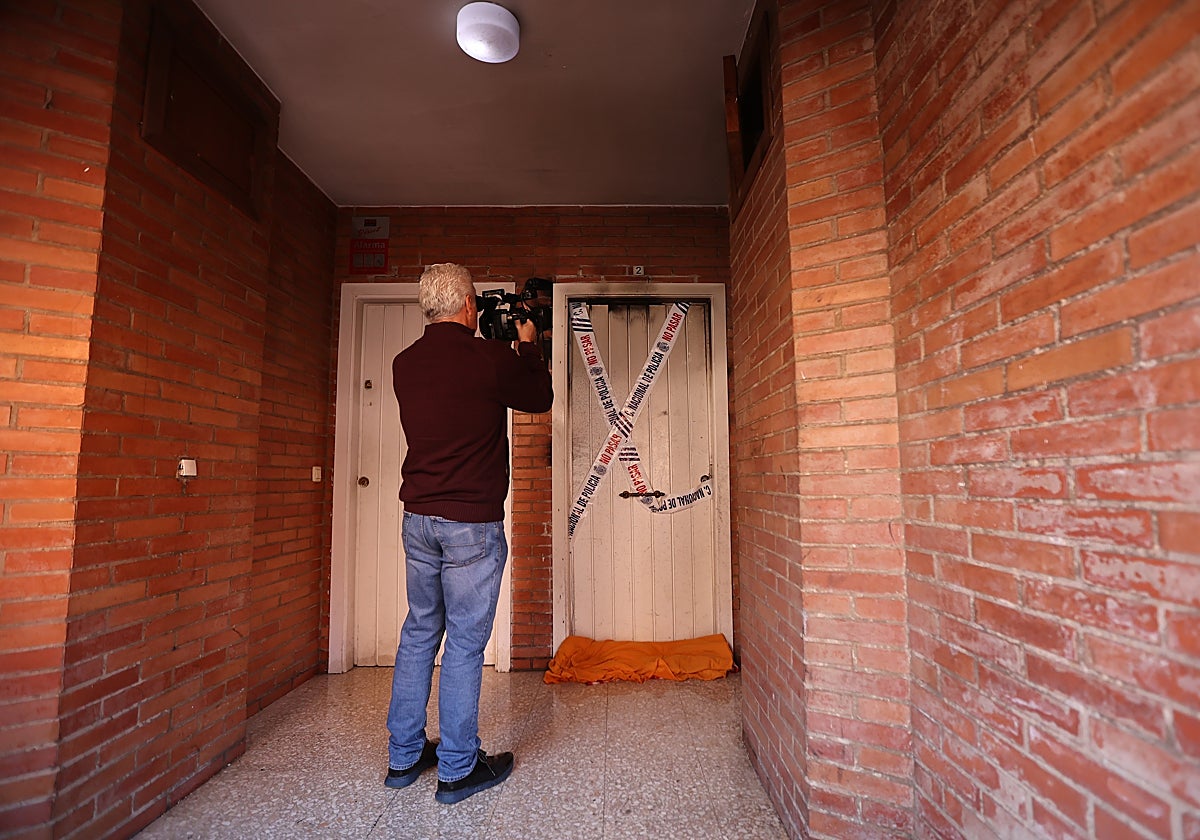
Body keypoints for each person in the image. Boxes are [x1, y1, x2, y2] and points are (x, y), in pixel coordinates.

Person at [384, 263, 553, 804]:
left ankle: (404, 757)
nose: (477, 309)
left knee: (419, 632)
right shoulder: (489, 359)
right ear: (464, 306)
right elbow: (539, 396)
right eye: (475, 302)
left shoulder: (403, 364)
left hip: (419, 520)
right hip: (471, 526)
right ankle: (458, 769)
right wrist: (528, 343)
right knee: (464, 643)